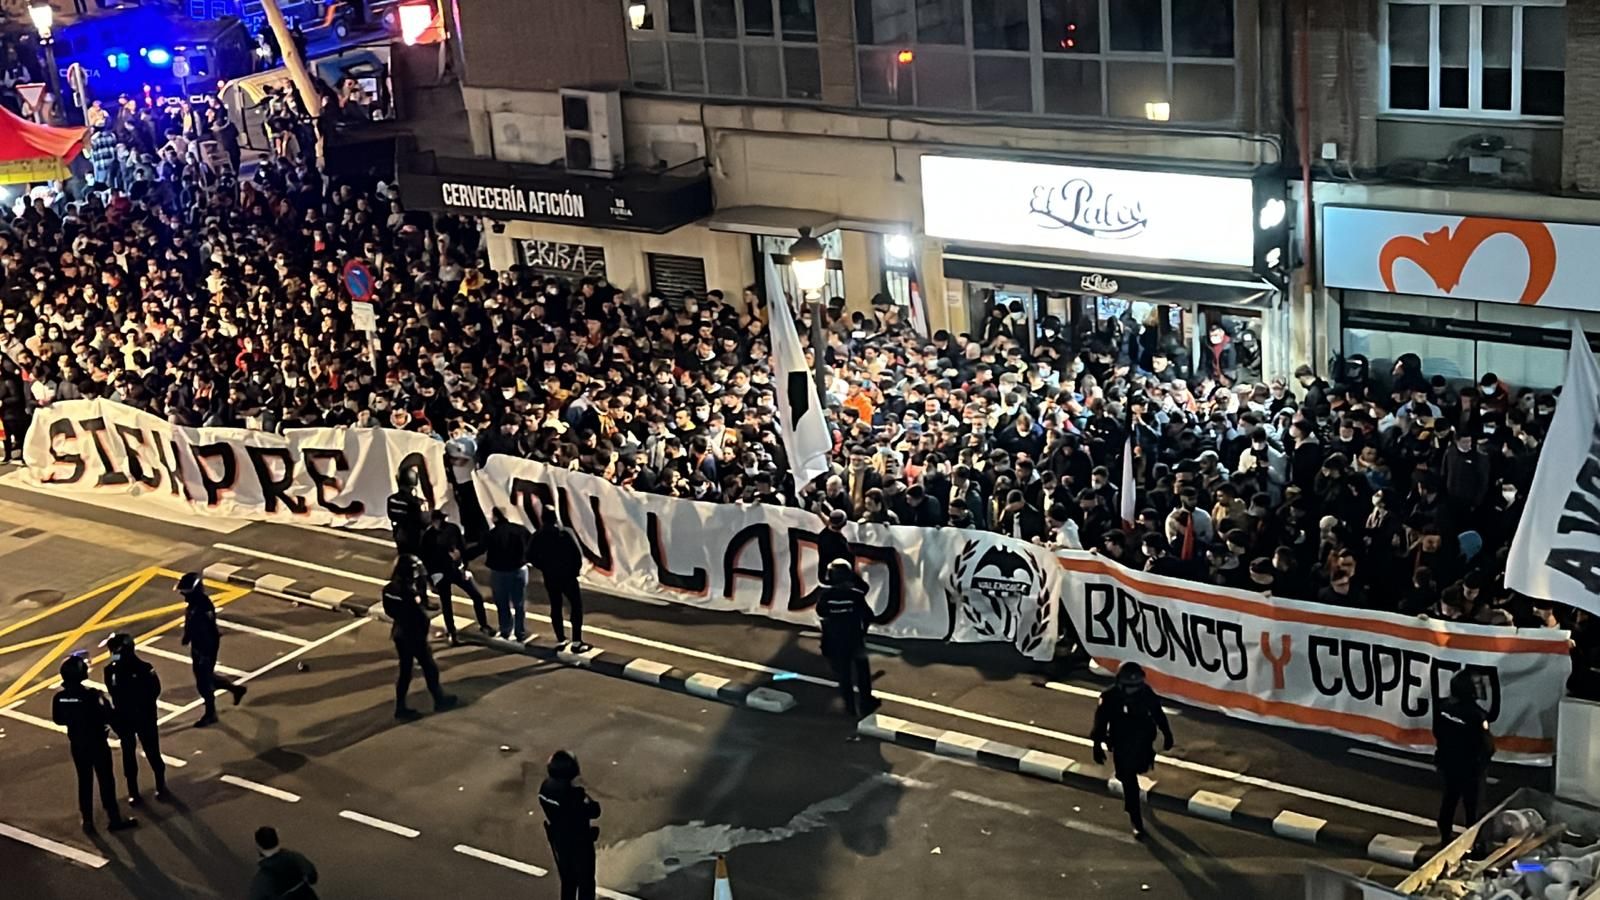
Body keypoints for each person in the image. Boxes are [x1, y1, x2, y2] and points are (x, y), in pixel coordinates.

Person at [51, 654, 138, 832]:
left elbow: (58, 720)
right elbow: (108, 715)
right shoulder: (92, 695)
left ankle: (87, 820)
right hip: (97, 743)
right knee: (106, 780)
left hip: (78, 744)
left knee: (84, 781)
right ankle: (114, 818)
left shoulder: (60, 698)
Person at [1090, 662, 1173, 838]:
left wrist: (1167, 733)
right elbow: (1100, 722)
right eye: (1130, 687)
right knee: (1128, 780)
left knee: (1140, 769)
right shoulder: (1109, 697)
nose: (1133, 691)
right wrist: (1097, 745)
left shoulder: (1145, 692)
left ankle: (1132, 799)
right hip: (1121, 742)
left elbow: (1157, 713)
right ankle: (1135, 818)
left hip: (1143, 741)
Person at [382, 555, 457, 720]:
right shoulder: (409, 592)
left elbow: (389, 611)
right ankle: (439, 699)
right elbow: (420, 616)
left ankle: (400, 707)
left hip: (399, 632)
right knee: (430, 668)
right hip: (414, 636)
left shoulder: (389, 589)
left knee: (405, 671)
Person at [101, 632, 170, 804]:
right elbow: (113, 691)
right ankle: (133, 790)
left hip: (144, 716)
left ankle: (161, 785)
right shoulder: (111, 670)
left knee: (152, 751)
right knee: (129, 754)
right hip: (125, 718)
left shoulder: (144, 669)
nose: (113, 655)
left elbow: (154, 690)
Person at [1433, 669, 1494, 843]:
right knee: (1472, 805)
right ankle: (1472, 841)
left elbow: (1437, 732)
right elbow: (1486, 745)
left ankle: (1445, 833)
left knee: (1450, 798)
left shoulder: (1442, 707)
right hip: (1471, 767)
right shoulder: (1477, 715)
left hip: (1448, 761)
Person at [179, 572, 246, 727]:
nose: (183, 595)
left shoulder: (202, 607)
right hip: (199, 646)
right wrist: (187, 637)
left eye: (185, 592)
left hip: (205, 648)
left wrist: (203, 653)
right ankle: (235, 690)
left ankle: (211, 713)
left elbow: (207, 631)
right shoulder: (196, 605)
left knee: (203, 682)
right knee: (207, 677)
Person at [814, 558, 877, 717]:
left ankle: (850, 706)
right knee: (862, 671)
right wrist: (863, 631)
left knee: (844, 674)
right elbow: (868, 616)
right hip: (854, 638)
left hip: (835, 640)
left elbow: (822, 613)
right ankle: (866, 701)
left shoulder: (826, 596)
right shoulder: (855, 595)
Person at [539, 750, 600, 900]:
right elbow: (595, 810)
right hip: (580, 844)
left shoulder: (545, 789)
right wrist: (582, 792)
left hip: (559, 841)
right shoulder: (574, 796)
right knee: (586, 882)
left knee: (568, 881)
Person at [420, 510, 489, 643]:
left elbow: (462, 548)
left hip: (455, 569)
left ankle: (483, 624)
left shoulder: (452, 529)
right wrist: (431, 579)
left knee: (476, 596)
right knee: (446, 604)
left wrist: (463, 565)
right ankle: (452, 632)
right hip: (440, 573)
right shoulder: (428, 536)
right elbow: (426, 559)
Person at [533, 508, 587, 650]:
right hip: (568, 576)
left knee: (556, 606)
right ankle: (577, 641)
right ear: (555, 518)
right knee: (576, 606)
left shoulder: (538, 535)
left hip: (550, 576)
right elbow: (576, 555)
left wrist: (544, 567)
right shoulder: (564, 534)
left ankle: (561, 638)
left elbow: (530, 556)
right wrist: (575, 571)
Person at [484, 507, 533, 641]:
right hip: (518, 570)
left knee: (502, 603)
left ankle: (505, 630)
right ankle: (520, 632)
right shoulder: (520, 530)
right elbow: (531, 545)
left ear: (495, 517)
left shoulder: (492, 534)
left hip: (499, 572)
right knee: (519, 603)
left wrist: (463, 557)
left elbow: (480, 548)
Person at [249, 826, 320, 900]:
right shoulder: (295, 857)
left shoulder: (262, 878)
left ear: (258, 847)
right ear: (277, 840)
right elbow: (313, 877)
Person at [387, 466, 429, 562]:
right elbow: (423, 521)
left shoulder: (391, 499)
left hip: (399, 535)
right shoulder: (417, 503)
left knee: (403, 558)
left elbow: (391, 515)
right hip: (415, 537)